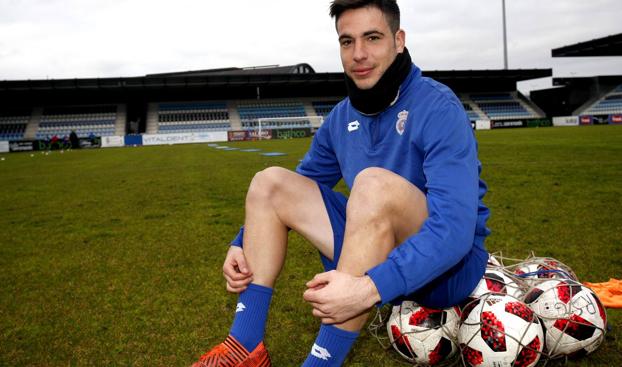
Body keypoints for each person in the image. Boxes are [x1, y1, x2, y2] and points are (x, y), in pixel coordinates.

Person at [191, 1, 490, 366]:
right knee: (269, 183)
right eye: (347, 42)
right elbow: (300, 186)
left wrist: (368, 287)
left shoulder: (438, 105)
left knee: (372, 185)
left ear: (399, 40)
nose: (358, 54)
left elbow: (455, 231)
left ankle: (322, 362)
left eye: (372, 38)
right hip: (373, 254)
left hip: (446, 275)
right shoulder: (342, 117)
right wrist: (242, 242)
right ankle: (244, 346)